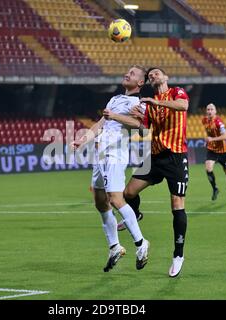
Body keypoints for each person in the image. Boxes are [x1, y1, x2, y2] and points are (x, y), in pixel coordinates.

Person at [111, 67, 190, 278]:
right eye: (151, 75)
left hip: (175, 156)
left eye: (156, 73)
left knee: (177, 204)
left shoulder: (176, 93)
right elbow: (144, 129)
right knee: (128, 193)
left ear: (166, 77)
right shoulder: (148, 104)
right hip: (155, 157)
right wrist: (138, 118)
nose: (153, 75)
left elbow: (183, 106)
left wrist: (157, 103)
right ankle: (135, 214)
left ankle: (178, 255)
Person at [72, 65, 150, 272]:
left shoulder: (138, 103)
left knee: (115, 199)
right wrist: (83, 141)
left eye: (132, 73)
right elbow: (100, 124)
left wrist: (115, 116)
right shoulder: (115, 99)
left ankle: (141, 243)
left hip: (116, 154)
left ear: (140, 83)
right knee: (100, 202)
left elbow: (141, 127)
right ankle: (115, 246)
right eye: (127, 71)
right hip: (100, 155)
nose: (127, 74)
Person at [202, 103, 226, 202]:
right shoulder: (204, 120)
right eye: (208, 109)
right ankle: (215, 189)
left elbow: (225, 136)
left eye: (211, 109)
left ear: (215, 111)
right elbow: (209, 133)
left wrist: (212, 139)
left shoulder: (219, 122)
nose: (209, 111)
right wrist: (208, 141)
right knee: (208, 168)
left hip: (222, 151)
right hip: (212, 150)